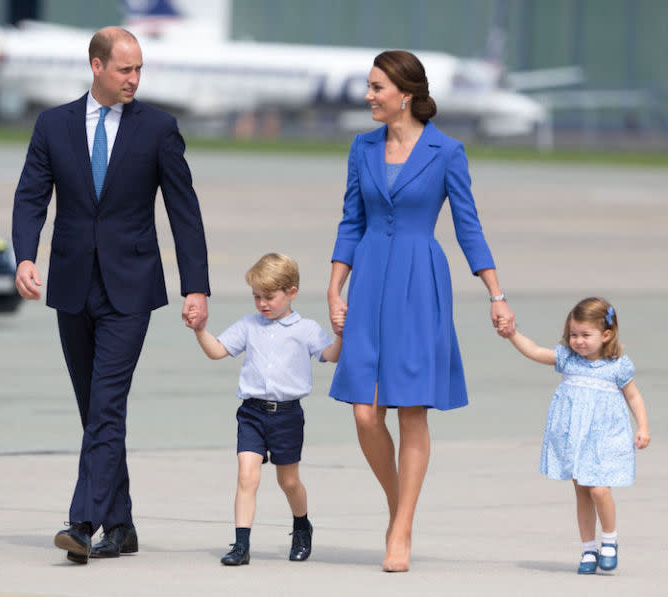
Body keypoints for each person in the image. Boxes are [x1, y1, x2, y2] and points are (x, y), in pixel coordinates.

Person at [11, 26, 210, 564]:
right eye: (126, 69)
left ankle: (82, 521)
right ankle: (120, 524)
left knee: (106, 404)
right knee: (92, 409)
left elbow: (184, 212)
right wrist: (25, 255)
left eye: (140, 69)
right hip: (73, 285)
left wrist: (196, 286)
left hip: (132, 288)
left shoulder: (158, 128)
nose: (135, 78)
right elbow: (31, 195)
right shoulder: (53, 125)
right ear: (97, 66)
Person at [326, 50, 515, 572]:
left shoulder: (446, 151)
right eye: (369, 86)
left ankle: (401, 529)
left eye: (377, 87)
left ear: (404, 94)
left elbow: (468, 226)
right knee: (365, 412)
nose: (368, 96)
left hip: (419, 281)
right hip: (368, 281)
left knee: (410, 410)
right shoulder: (361, 148)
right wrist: (335, 285)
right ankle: (399, 507)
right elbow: (351, 220)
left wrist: (495, 294)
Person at [187, 253, 342, 566]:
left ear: (292, 293)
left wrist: (342, 334)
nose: (262, 304)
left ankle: (302, 525)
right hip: (252, 413)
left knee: (289, 482)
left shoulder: (306, 329)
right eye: (257, 296)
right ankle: (241, 545)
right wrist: (200, 330)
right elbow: (218, 351)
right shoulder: (249, 325)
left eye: (269, 297)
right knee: (247, 477)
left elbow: (331, 354)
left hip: (287, 416)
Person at [498, 297, 650, 575]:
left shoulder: (617, 366)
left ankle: (609, 539)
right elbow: (534, 351)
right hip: (574, 437)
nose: (578, 341)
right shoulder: (567, 359)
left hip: (605, 437)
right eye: (573, 335)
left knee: (599, 489)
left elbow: (634, 396)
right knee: (581, 491)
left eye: (585, 335)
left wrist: (643, 427)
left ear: (606, 335)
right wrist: (512, 334)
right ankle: (588, 549)